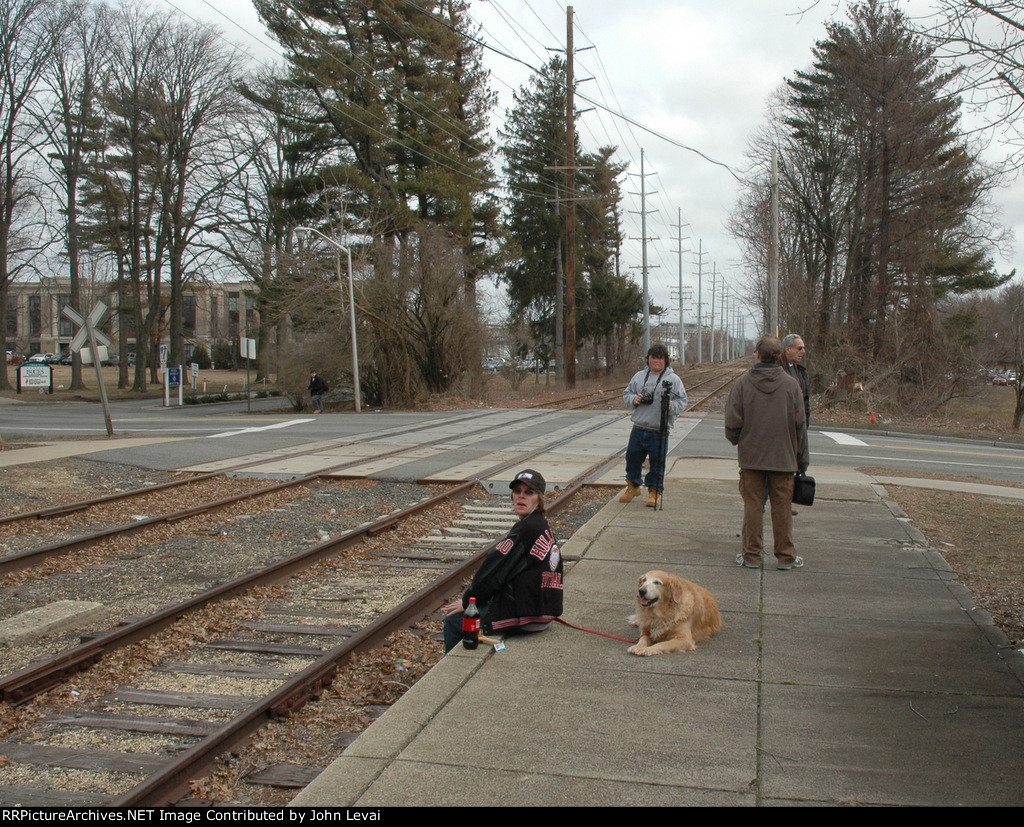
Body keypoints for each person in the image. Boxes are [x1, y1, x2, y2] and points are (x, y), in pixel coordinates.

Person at [441, 469, 564, 653]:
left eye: (529, 492)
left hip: (527, 617)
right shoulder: (542, 526)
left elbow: (492, 572)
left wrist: (469, 603)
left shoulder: (525, 530)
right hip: (545, 612)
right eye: (517, 491)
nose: (521, 496)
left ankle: (450, 672)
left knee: (454, 621)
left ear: (539, 499)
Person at [725, 335, 809, 571]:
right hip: (784, 459)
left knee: (752, 506)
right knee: (782, 508)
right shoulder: (792, 386)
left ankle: (751, 555)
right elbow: (800, 427)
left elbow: (732, 423)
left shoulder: (742, 384)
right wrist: (802, 460)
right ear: (779, 356)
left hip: (752, 458)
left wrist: (739, 441)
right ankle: (786, 556)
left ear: (758, 355)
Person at [620, 343, 688, 508]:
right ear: (648, 359)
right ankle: (633, 486)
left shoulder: (673, 380)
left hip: (659, 430)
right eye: (653, 358)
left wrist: (671, 406)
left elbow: (683, 402)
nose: (656, 361)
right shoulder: (638, 377)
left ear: (666, 361)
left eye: (660, 358)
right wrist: (634, 399)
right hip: (639, 427)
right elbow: (626, 394)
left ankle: (655, 491)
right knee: (632, 459)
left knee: (657, 463)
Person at [781, 333, 810, 427]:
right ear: (788, 349)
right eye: (799, 348)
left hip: (797, 424)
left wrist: (805, 424)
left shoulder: (801, 371)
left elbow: (805, 400)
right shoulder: (776, 370)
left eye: (803, 348)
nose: (803, 351)